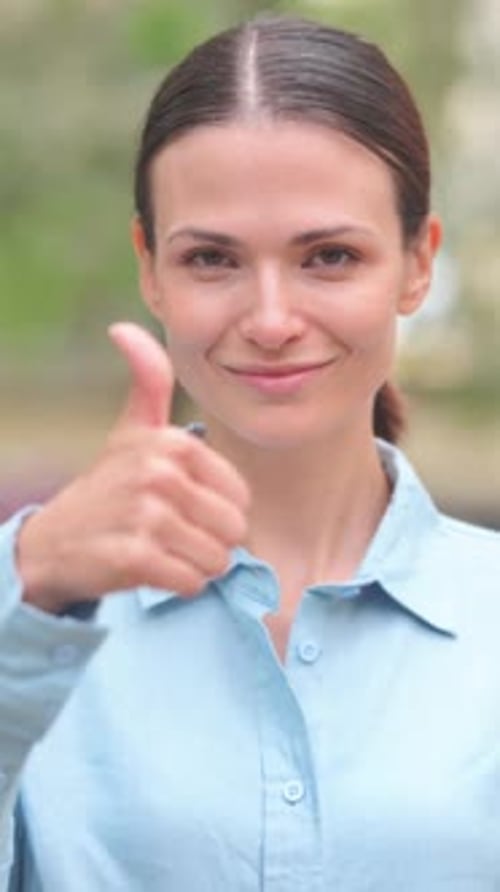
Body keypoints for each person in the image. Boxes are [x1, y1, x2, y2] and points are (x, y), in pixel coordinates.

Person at [1, 12, 499, 892]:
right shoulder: (32, 596)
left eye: (330, 256)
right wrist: (30, 594)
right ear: (149, 266)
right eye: (212, 259)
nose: (270, 321)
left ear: (419, 262)